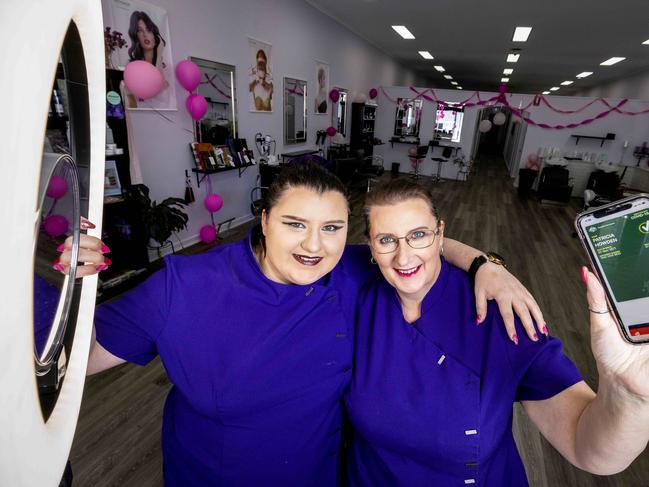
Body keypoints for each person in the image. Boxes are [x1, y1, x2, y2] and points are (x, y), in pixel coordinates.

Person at [58, 163, 546, 485]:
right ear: (264, 220)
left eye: (331, 228)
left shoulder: (348, 270)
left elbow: (415, 239)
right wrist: (71, 289)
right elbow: (71, 361)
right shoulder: (184, 285)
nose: (314, 246)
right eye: (295, 224)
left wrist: (486, 266)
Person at [345, 178, 649, 486]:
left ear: (440, 234)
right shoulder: (357, 295)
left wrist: (630, 395)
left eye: (419, 235)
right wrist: (480, 261)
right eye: (386, 240)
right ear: (370, 244)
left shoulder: (501, 313)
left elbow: (590, 452)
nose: (403, 256)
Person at [125, 10, 169, 108]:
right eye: (140, 30)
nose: (145, 34)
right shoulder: (132, 67)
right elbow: (132, 106)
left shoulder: (166, 68)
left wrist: (159, 52)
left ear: (155, 35)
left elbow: (160, 86)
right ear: (135, 35)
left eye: (148, 30)